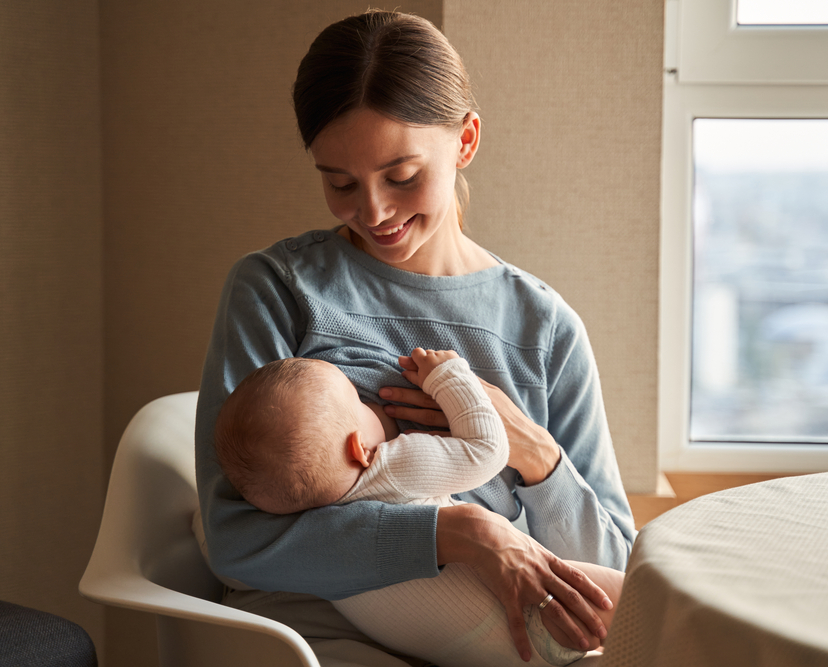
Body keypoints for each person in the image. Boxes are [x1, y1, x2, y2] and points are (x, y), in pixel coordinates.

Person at [195, 9, 636, 666]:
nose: (372, 211)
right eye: (339, 181)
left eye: (401, 175)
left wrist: (534, 453)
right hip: (314, 644)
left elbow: (613, 569)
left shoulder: (545, 330)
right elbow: (235, 537)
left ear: (465, 141)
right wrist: (456, 532)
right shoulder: (278, 290)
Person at [212, 348, 622, 666]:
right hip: (535, 603)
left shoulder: (312, 531)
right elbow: (487, 450)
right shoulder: (390, 467)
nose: (369, 403)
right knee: (651, 600)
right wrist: (453, 378)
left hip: (472, 650)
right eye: (359, 401)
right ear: (359, 448)